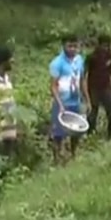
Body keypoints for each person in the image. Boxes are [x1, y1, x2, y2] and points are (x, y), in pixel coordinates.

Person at [49, 34, 88, 164]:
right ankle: (56, 159)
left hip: (75, 101)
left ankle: (73, 155)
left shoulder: (79, 60)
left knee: (77, 131)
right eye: (69, 46)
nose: (72, 49)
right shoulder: (57, 63)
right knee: (58, 134)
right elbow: (53, 86)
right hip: (62, 103)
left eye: (75, 46)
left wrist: (86, 99)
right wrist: (60, 105)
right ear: (63, 46)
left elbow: (82, 80)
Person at [86, 34, 111, 139]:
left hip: (106, 87)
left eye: (107, 46)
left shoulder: (110, 55)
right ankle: (90, 133)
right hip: (93, 87)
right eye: (103, 46)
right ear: (98, 45)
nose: (105, 48)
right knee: (93, 111)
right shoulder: (92, 57)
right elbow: (84, 72)